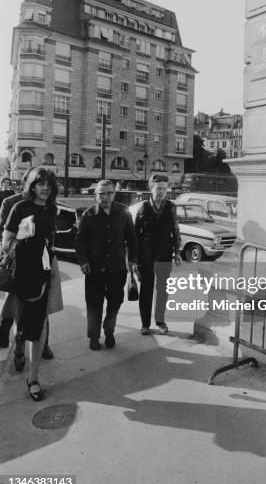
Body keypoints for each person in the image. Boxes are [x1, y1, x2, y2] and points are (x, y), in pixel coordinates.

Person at [2, 167, 61, 401]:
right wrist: (24, 236)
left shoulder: (52, 208)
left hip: (43, 274)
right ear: (33, 185)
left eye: (49, 184)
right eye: (41, 183)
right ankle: (18, 349)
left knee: (40, 325)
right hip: (21, 274)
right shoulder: (19, 207)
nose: (45, 187)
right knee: (21, 324)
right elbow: (6, 243)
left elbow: (50, 239)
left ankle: (33, 378)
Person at [75, 179, 137, 350]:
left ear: (114, 194)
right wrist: (83, 261)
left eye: (109, 193)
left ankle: (109, 331)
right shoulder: (88, 215)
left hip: (117, 269)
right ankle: (94, 337)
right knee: (94, 305)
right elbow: (79, 241)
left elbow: (132, 238)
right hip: (94, 269)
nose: (105, 197)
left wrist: (132, 259)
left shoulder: (124, 212)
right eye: (101, 193)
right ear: (95, 195)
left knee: (115, 302)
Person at [132, 173, 182, 335]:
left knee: (162, 290)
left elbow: (175, 230)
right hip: (145, 255)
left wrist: (177, 252)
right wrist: (133, 259)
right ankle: (145, 324)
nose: (161, 192)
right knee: (146, 289)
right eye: (158, 188)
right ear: (151, 189)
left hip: (164, 254)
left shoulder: (171, 207)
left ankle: (160, 321)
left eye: (164, 189)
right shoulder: (143, 207)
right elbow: (134, 234)